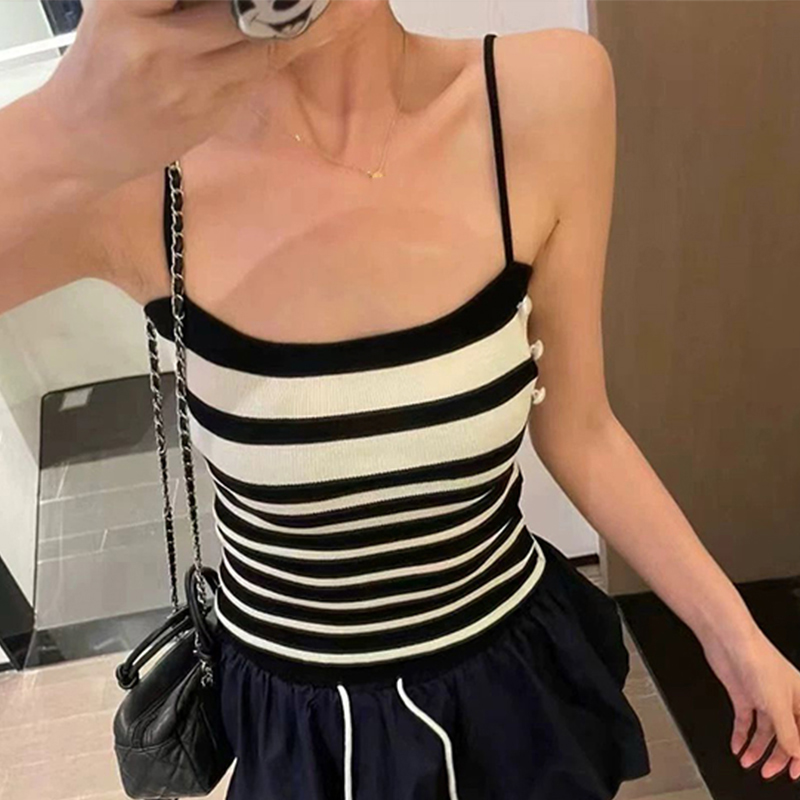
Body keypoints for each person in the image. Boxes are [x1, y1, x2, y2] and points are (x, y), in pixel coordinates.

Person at [2, 1, 799, 798]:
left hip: (509, 686)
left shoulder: (543, 97)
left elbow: (581, 426)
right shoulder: (135, 173)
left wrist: (731, 633)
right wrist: (67, 126)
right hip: (301, 727)